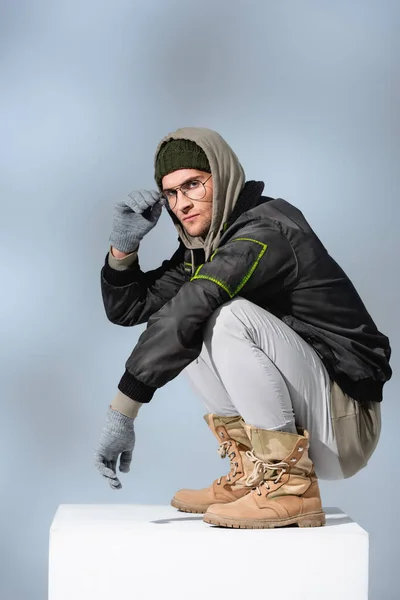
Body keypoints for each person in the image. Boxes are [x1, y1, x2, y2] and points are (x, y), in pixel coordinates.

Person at [94, 127, 391, 529]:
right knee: (191, 318)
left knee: (224, 316)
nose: (182, 204)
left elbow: (188, 308)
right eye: (172, 194)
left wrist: (123, 412)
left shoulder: (266, 233)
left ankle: (288, 487)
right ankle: (254, 472)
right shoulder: (205, 246)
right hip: (313, 418)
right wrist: (122, 249)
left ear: (223, 174)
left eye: (193, 185)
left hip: (346, 422)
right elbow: (133, 309)